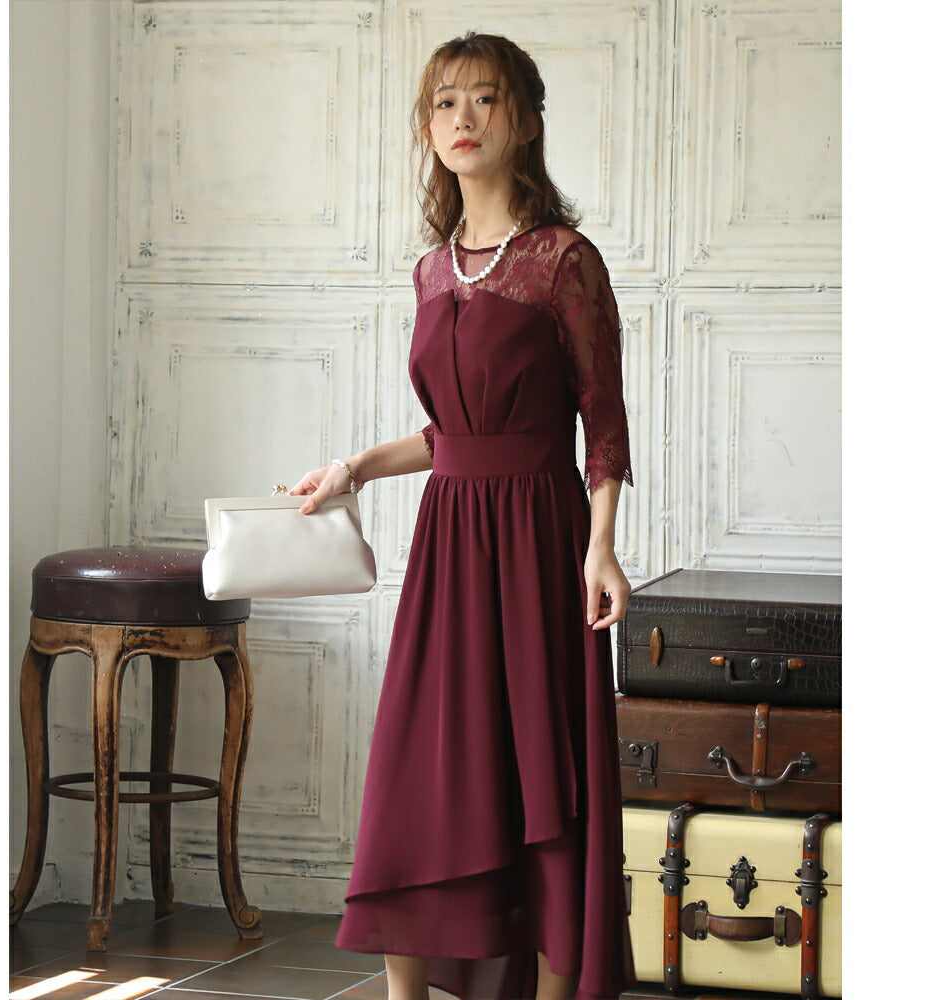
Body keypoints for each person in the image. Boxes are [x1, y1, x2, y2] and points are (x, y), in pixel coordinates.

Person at [290, 30, 638, 1000]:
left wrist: (601, 550)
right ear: (427, 126)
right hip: (449, 545)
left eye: (485, 99)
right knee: (427, 774)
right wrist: (354, 469)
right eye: (445, 102)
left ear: (523, 120)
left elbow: (603, 423)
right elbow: (453, 434)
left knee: (541, 775)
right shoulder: (431, 271)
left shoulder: (563, 261)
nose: (463, 119)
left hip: (538, 544)